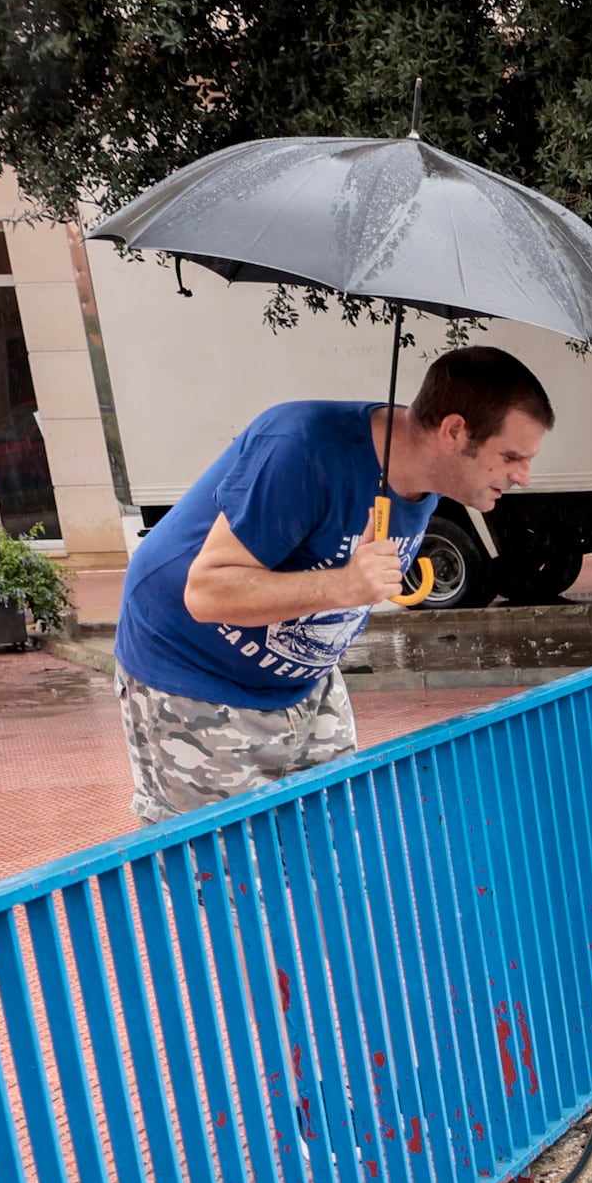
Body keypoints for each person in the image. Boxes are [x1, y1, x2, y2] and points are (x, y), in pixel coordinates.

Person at [110, 343, 552, 823]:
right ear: (454, 431)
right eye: (511, 456)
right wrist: (345, 586)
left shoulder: (428, 480)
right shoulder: (302, 448)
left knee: (335, 867)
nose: (523, 476)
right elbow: (206, 592)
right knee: (229, 885)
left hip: (305, 685)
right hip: (193, 671)